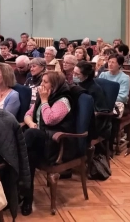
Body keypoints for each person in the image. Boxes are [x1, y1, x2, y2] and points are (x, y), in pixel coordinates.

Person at [22, 71, 75, 216]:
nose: (41, 85)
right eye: (41, 81)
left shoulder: (63, 100)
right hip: (38, 141)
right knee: (29, 155)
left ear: (55, 85)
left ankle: (22, 192)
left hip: (55, 145)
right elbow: (27, 114)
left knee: (30, 141)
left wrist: (44, 101)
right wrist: (32, 124)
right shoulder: (43, 97)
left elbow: (49, 119)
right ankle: (27, 197)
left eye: (45, 82)